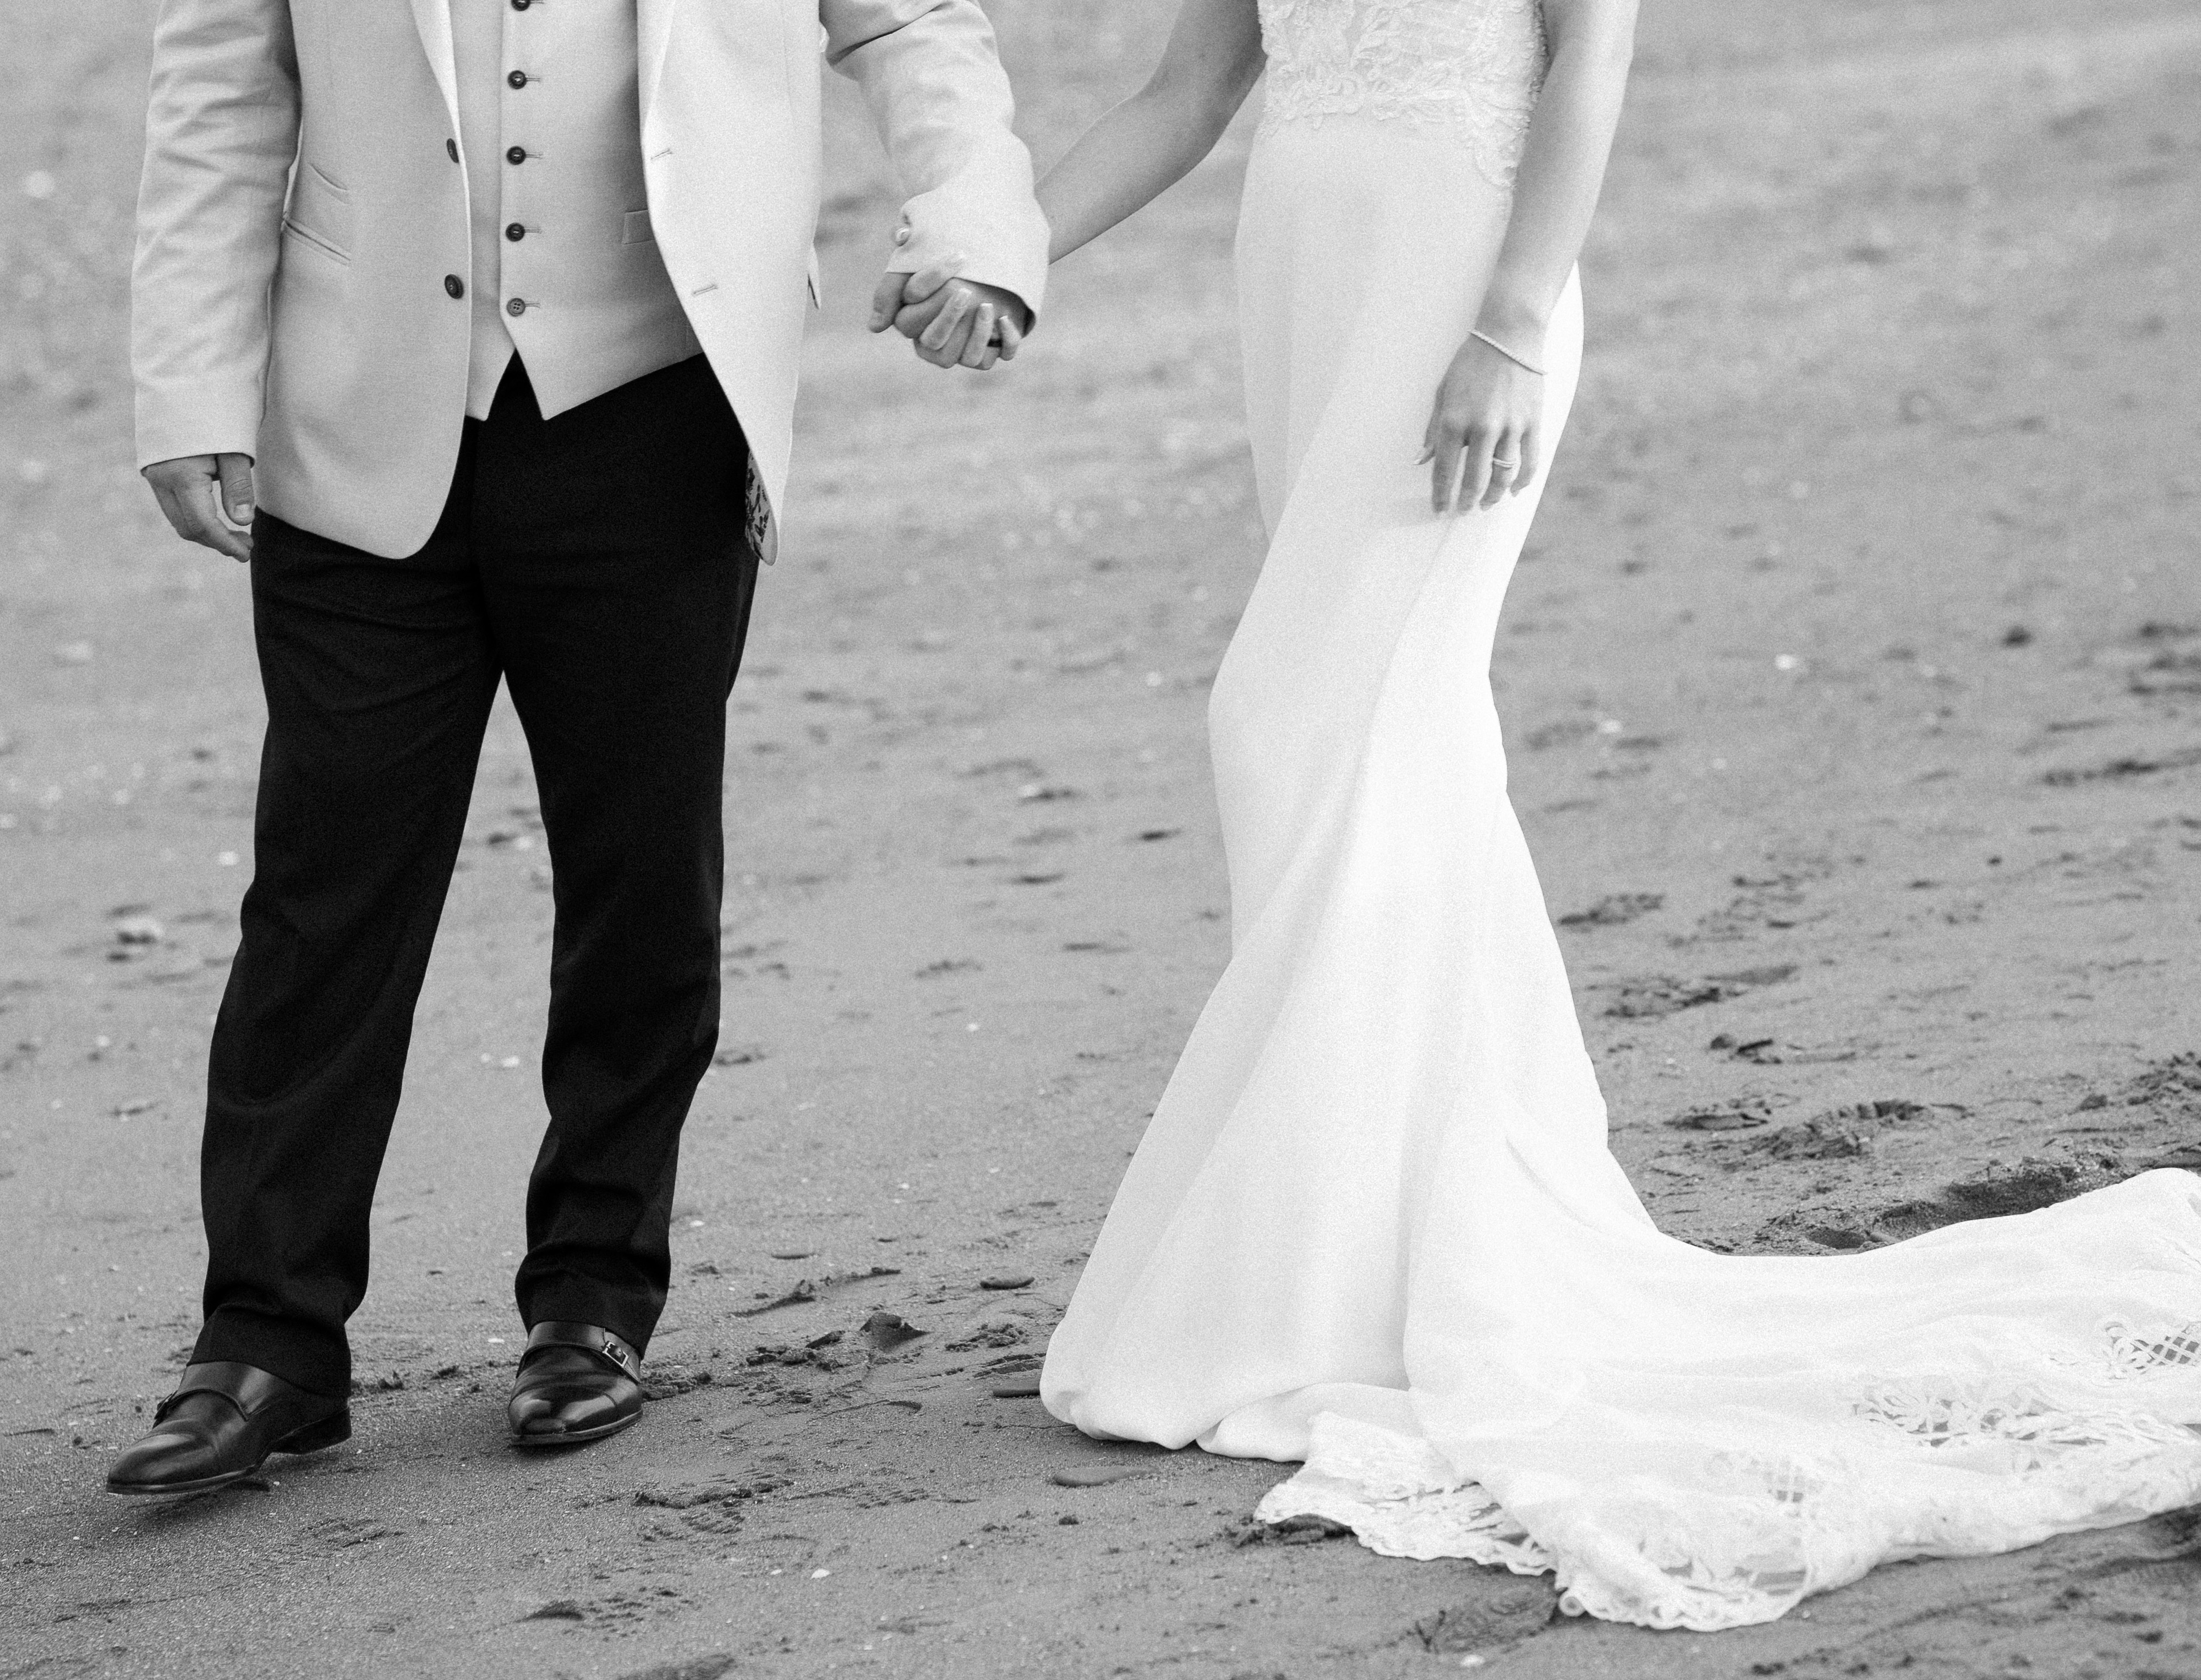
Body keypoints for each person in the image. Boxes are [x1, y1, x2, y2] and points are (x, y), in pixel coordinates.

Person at [1021, 0, 2201, 1630]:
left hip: (1462, 277)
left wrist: (1509, 318)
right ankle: (1371, 1254)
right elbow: (1191, 83)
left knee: (1292, 721)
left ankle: (1308, 1278)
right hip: (1307, 271)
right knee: (1394, 743)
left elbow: (1597, 54)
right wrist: (1005, 244)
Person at [107, 0, 1045, 1497]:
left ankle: (594, 1299)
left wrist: (981, 224)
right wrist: (189, 386)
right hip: (361, 411)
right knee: (321, 891)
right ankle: (268, 1337)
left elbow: (914, 25)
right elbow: (219, 89)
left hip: (658, 410)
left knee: (640, 883)